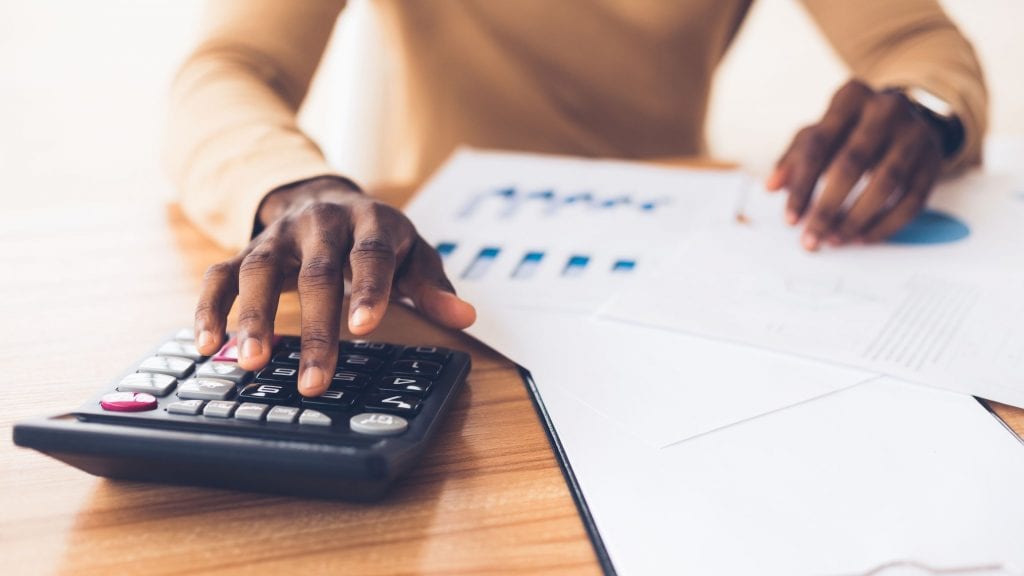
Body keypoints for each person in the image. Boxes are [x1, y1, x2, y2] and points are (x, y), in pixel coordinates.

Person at [164, 0, 986, 397]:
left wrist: (924, 113)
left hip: (673, 280)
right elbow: (226, 67)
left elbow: (917, 44)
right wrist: (295, 186)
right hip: (423, 277)